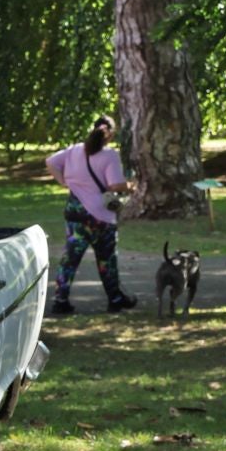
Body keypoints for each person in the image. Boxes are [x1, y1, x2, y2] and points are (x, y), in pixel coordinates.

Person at [45, 116, 137, 314]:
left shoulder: (74, 150)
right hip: (101, 216)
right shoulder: (109, 155)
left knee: (70, 258)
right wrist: (130, 186)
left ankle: (60, 300)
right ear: (110, 134)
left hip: (76, 213)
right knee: (107, 259)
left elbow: (51, 161)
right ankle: (115, 298)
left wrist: (64, 181)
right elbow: (114, 185)